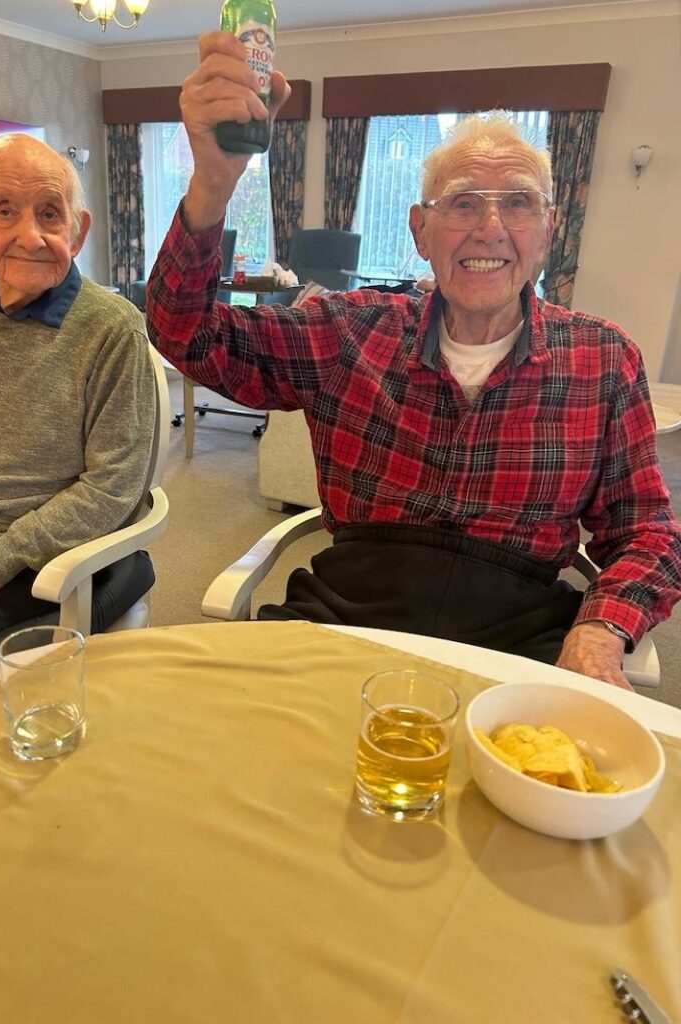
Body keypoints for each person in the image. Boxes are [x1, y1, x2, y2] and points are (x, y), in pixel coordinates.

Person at [146, 31, 681, 690]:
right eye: (461, 203)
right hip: (345, 626)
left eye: (517, 203)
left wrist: (602, 628)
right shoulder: (349, 332)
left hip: (518, 646)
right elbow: (188, 337)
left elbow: (646, 531)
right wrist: (213, 185)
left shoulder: (602, 359)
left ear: (548, 230)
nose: (489, 228)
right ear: (420, 231)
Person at [0, 134, 156, 675]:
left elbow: (114, 486)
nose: (32, 236)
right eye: (5, 211)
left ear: (78, 227)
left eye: (50, 214)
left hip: (28, 557)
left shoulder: (111, 329)